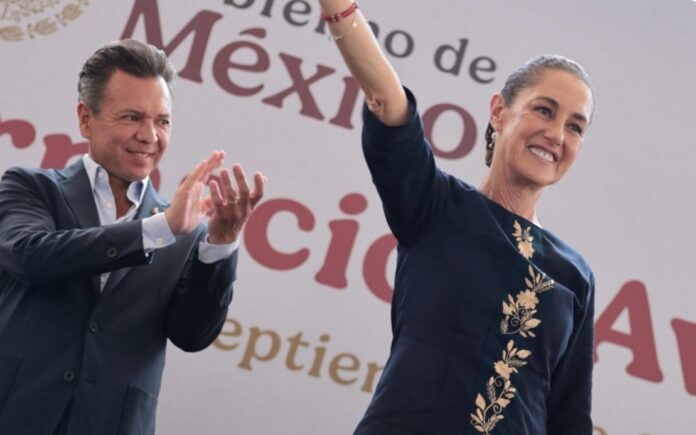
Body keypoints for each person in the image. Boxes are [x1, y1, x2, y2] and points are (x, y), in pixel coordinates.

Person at [317, 2, 596, 434]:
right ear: (498, 111)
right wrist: (339, 9)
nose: (557, 134)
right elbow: (387, 101)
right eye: (544, 110)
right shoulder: (437, 205)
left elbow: (568, 419)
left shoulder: (575, 273)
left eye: (575, 127)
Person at [0, 39, 266, 435]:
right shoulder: (30, 187)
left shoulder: (183, 230)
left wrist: (221, 242)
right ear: (86, 119)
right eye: (132, 117)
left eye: (163, 121)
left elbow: (192, 335)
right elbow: (31, 258)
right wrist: (159, 230)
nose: (149, 135)